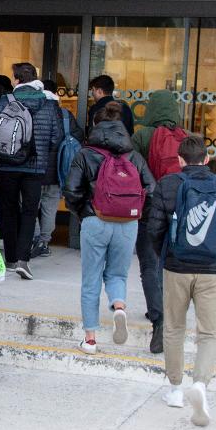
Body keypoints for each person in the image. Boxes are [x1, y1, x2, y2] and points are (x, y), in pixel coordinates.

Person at [146, 135, 216, 427]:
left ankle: (176, 390)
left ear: (179, 160)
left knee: (174, 328)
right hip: (212, 271)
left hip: (176, 268)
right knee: (209, 333)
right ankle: (201, 384)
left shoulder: (168, 184)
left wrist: (165, 255)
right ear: (206, 159)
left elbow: (154, 228)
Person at [63, 103, 155, 354]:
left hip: (95, 220)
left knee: (91, 280)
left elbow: (71, 191)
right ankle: (119, 307)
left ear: (95, 125)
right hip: (127, 224)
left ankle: (90, 339)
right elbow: (152, 189)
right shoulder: (134, 156)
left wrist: (84, 213)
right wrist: (135, 214)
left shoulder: (85, 154)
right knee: (117, 275)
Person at [0, 62, 64, 280]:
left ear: (17, 79)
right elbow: (55, 137)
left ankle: (10, 258)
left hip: (7, 164)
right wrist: (40, 153)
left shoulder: (5, 101)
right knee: (30, 211)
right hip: (35, 167)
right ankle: (23, 259)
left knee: (8, 209)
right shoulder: (50, 105)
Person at [130, 89, 187, 352]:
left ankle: (158, 318)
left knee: (149, 265)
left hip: (150, 207)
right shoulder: (185, 138)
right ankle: (171, 315)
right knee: (171, 265)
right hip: (178, 210)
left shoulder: (142, 135)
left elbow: (131, 169)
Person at [32, 76, 83, 260]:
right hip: (57, 173)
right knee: (50, 208)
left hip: (35, 170)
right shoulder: (65, 115)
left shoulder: (34, 111)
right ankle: (44, 241)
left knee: (30, 206)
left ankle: (35, 237)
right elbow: (77, 138)